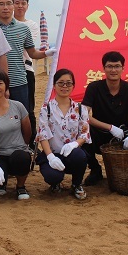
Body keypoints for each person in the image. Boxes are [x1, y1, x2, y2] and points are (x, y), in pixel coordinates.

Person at [81, 51, 128, 186]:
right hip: (98, 133)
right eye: (109, 66)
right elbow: (84, 115)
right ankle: (95, 169)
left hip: (121, 134)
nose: (113, 70)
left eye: (117, 66)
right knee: (81, 132)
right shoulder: (94, 88)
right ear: (104, 68)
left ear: (123, 68)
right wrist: (109, 127)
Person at [0, 0, 55, 114]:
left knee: (23, 115)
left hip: (19, 80)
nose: (5, 7)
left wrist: (47, 53)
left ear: (12, 6)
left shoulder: (24, 28)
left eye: (9, 3)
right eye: (1, 4)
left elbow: (32, 53)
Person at [0, 70, 33, 200]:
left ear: (6, 85)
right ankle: (1, 183)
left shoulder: (18, 106)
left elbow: (27, 131)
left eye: (0, 83)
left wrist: (22, 146)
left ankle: (20, 186)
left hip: (17, 151)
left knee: (22, 158)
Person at [36, 69, 90, 200]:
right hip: (53, 153)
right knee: (52, 176)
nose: (64, 86)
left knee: (80, 156)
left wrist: (74, 144)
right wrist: (50, 157)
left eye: (68, 83)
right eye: (60, 83)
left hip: (72, 154)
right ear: (54, 86)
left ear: (73, 86)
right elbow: (43, 135)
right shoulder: (46, 109)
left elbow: (84, 134)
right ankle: (55, 184)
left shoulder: (81, 109)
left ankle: (76, 184)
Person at [12, 0, 42, 137]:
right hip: (7, 70)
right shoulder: (2, 24)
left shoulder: (32, 25)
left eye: (23, 3)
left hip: (26, 70)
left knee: (28, 108)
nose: (20, 6)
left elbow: (24, 46)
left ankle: (31, 141)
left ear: (27, 6)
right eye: (17, 3)